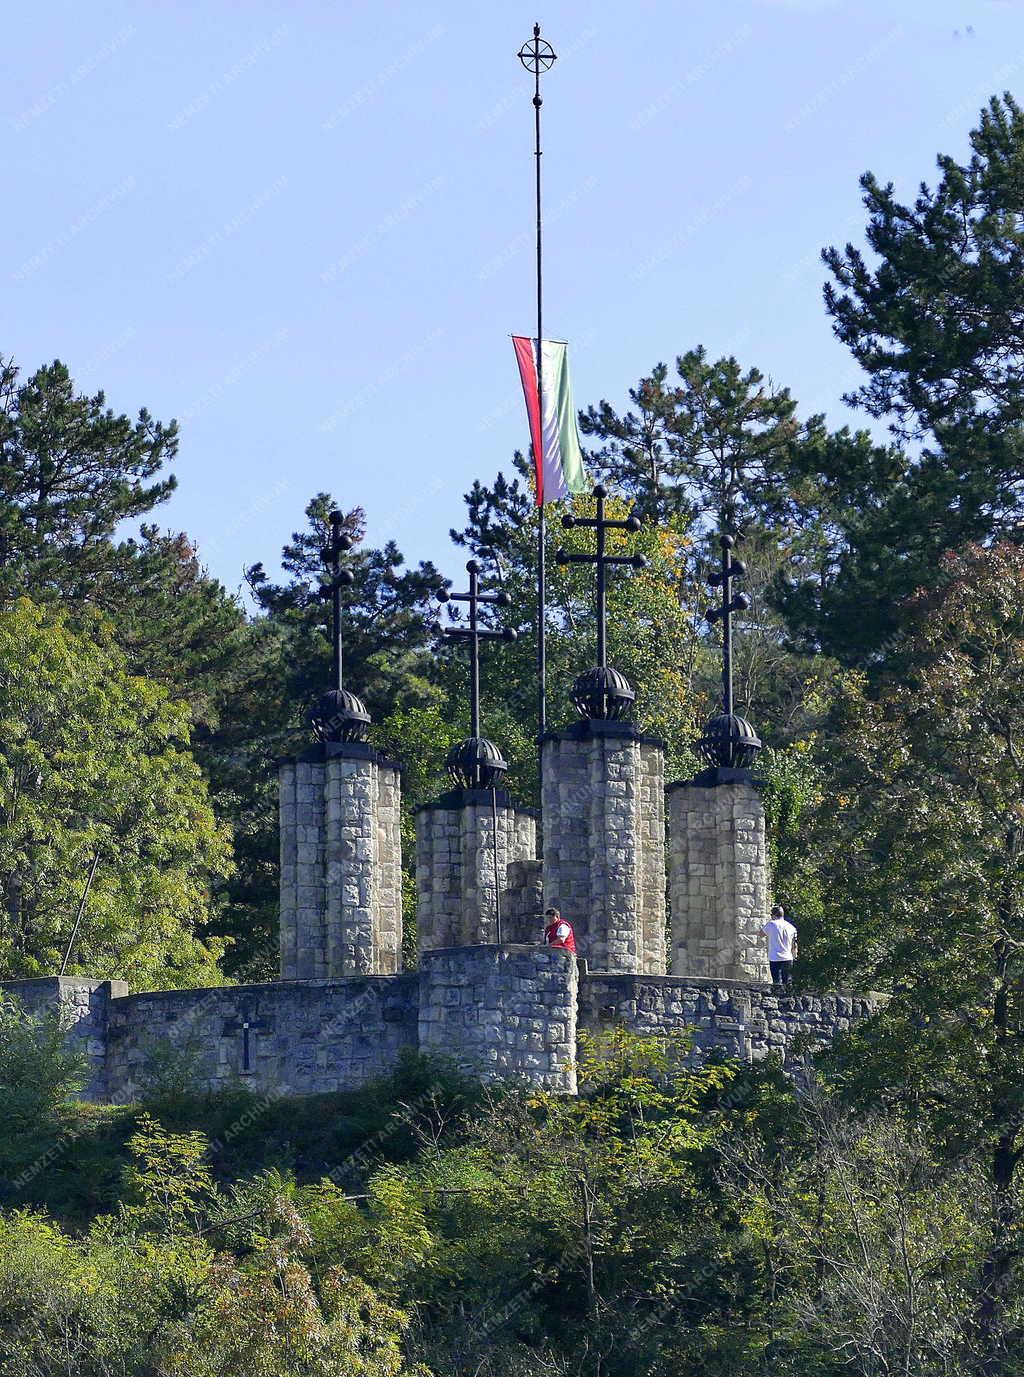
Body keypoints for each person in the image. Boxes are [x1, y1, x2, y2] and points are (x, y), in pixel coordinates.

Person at [762, 904, 798, 989]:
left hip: (775, 957)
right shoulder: (792, 927)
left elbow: (761, 934)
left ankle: (777, 1000)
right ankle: (788, 999)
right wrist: (795, 955)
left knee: (776, 982)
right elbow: (794, 944)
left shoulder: (771, 924)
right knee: (787, 983)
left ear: (774, 915)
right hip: (787, 958)